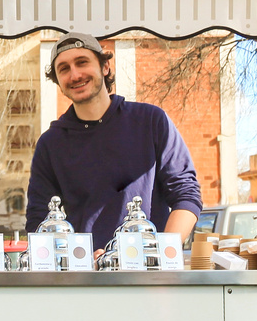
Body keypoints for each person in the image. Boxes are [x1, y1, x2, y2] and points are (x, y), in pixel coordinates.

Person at [25, 33, 202, 252]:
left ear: (105, 67)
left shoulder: (150, 121)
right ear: (58, 81)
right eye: (64, 69)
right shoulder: (50, 144)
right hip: (82, 276)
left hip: (148, 274)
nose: (75, 74)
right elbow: (39, 221)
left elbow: (186, 194)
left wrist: (162, 253)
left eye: (82, 62)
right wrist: (80, 260)